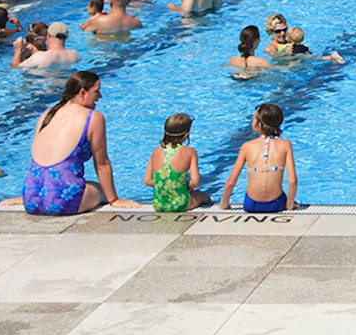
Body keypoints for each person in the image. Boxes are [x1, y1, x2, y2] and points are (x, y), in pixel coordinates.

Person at [23, 71, 134, 215]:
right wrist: (114, 200)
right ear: (83, 92)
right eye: (96, 91)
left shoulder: (47, 114)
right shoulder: (93, 117)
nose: (99, 96)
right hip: (62, 202)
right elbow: (102, 164)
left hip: (30, 198)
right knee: (100, 190)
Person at [221, 103, 299, 213]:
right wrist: (289, 204)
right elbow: (292, 181)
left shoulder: (246, 146)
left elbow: (230, 182)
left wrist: (224, 204)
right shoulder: (285, 145)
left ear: (258, 124)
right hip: (276, 203)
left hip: (251, 204)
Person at [144, 113, 213, 212]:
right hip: (181, 204)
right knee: (204, 196)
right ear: (186, 135)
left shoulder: (156, 151)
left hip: (158, 204)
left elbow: (147, 181)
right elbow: (195, 182)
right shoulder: (190, 152)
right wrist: (179, 186)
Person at [16, 23, 81, 70]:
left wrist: (18, 49)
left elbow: (16, 67)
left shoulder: (40, 57)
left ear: (48, 36)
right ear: (66, 37)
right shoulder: (75, 55)